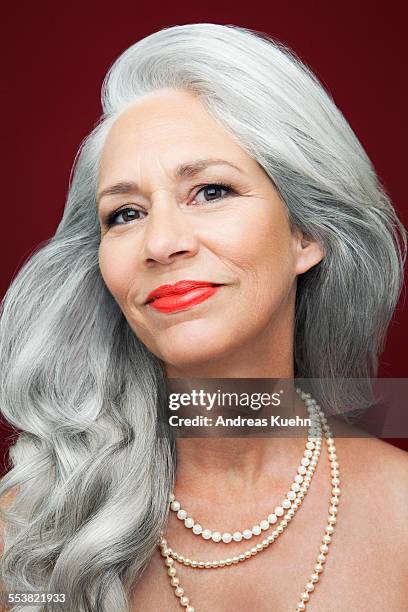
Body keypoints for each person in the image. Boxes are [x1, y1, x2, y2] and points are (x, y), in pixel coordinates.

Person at [1, 23, 408, 612]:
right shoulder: (32, 534)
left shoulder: (400, 512)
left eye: (211, 191)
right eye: (125, 213)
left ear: (307, 232)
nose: (161, 242)